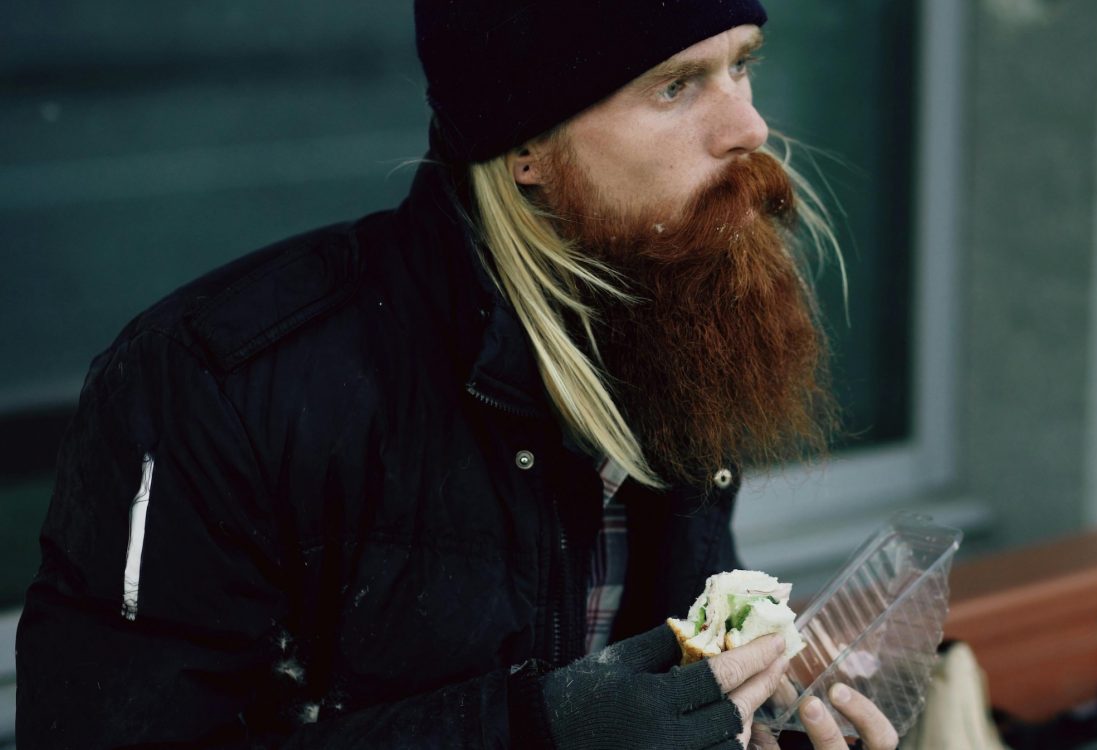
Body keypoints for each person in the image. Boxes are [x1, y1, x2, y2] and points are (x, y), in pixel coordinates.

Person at [16, 1, 901, 748]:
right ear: (526, 146)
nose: (749, 127)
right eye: (676, 85)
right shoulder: (214, 385)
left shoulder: (672, 313)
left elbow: (649, 667)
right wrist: (532, 736)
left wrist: (753, 719)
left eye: (742, 65)